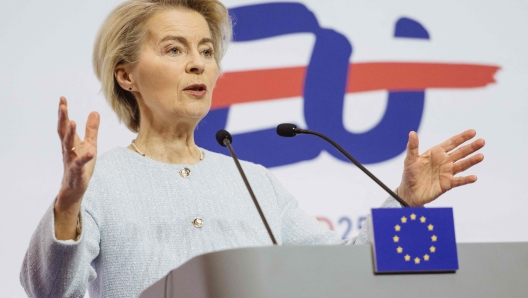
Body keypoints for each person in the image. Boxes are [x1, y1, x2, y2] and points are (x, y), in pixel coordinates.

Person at [20, 0, 485, 297]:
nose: (198, 65)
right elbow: (46, 292)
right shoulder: (100, 181)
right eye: (175, 50)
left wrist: (402, 200)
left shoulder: (252, 178)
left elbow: (334, 266)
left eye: (206, 50)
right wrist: (68, 202)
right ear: (126, 75)